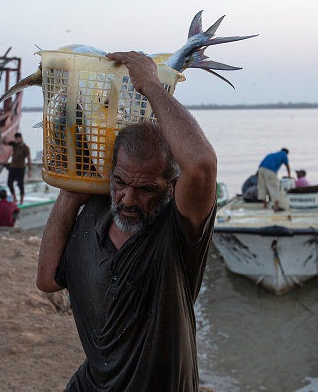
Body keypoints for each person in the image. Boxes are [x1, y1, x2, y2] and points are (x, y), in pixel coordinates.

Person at [36, 51, 217, 391]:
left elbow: (202, 163)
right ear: (111, 174)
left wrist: (149, 84)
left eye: (147, 188)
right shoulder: (92, 215)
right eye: (120, 183)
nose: (129, 200)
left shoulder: (177, 233)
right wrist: (70, 193)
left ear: (172, 184)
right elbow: (47, 280)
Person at [4, 132, 32, 205]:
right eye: (15, 139)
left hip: (21, 168)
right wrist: (6, 137)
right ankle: (14, 198)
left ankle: (21, 200)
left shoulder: (26, 148)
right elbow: (4, 142)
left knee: (20, 184)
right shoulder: (14, 145)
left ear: (21, 138)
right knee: (9, 183)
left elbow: (29, 159)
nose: (16, 140)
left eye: (18, 139)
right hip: (13, 167)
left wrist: (29, 170)